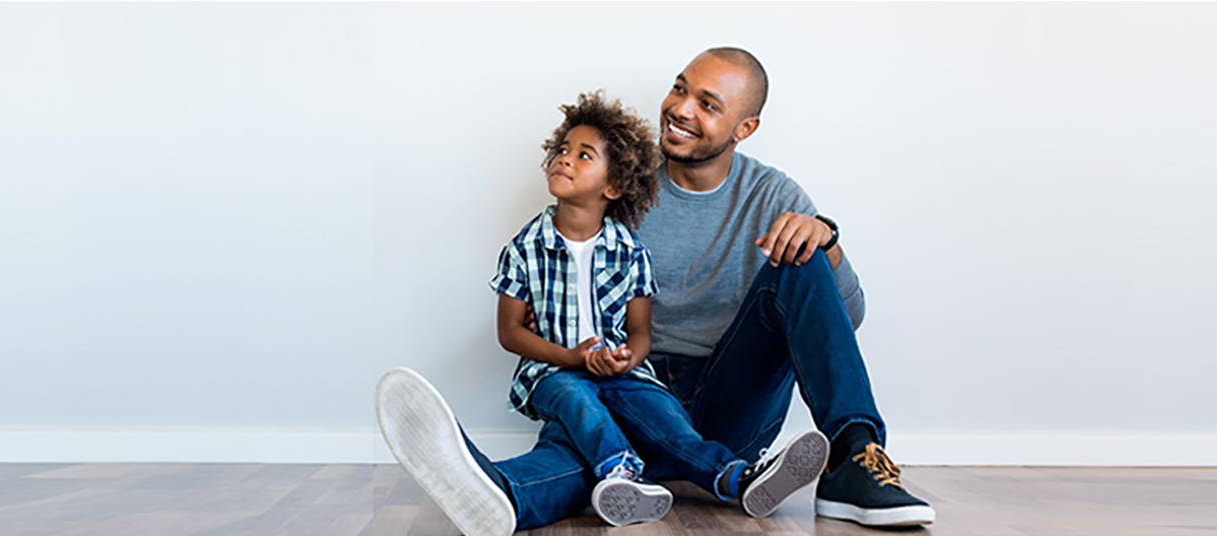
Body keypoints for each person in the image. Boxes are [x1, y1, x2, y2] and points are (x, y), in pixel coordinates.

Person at [375, 91, 827, 536]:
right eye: (562, 149)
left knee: (665, 418)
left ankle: (738, 478)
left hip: (621, 374)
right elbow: (509, 333)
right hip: (553, 373)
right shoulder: (525, 249)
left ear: (613, 187)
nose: (565, 158)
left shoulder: (630, 251)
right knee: (579, 403)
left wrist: (628, 358)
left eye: (583, 155)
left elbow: (641, 332)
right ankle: (620, 474)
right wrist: (573, 358)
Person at [623, 46, 937, 527]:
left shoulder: (773, 194)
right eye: (679, 88)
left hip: (732, 408)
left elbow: (846, 318)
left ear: (744, 129)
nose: (681, 109)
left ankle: (854, 457)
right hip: (637, 397)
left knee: (803, 256)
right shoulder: (620, 184)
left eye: (707, 104)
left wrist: (826, 241)